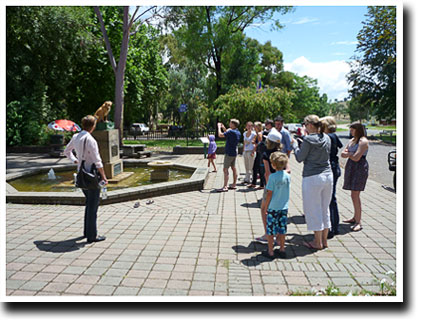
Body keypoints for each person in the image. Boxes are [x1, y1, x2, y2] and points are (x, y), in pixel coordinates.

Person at [64, 115, 108, 243]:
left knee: (89, 204)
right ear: (93, 126)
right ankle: (92, 235)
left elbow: (67, 151)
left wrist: (75, 160)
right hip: (91, 176)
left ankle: (86, 232)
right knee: (92, 207)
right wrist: (104, 177)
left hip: (81, 175)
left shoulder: (75, 137)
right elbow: (98, 161)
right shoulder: (90, 140)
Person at [291, 114, 333, 250]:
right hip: (328, 175)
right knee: (324, 209)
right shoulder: (326, 137)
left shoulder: (308, 139)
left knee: (313, 209)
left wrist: (295, 146)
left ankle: (317, 242)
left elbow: (299, 158)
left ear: (309, 125)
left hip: (312, 177)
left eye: (304, 124)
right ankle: (324, 240)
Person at [254, 127, 282, 243]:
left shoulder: (266, 154)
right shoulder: (281, 154)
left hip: (271, 185)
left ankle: (268, 234)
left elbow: (267, 173)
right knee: (278, 211)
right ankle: (279, 237)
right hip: (281, 185)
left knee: (264, 209)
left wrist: (267, 187)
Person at [261, 152, 290, 259]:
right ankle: (282, 249)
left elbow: (269, 193)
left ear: (273, 164)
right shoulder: (287, 176)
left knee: (270, 229)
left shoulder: (272, 177)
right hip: (283, 207)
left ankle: (270, 251)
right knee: (282, 229)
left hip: (273, 207)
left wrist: (266, 206)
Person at [341, 122, 369, 232]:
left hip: (359, 168)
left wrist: (348, 154)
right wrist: (348, 154)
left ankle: (358, 222)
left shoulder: (363, 141)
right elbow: (342, 154)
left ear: (357, 130)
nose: (350, 132)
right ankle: (355, 217)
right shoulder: (352, 141)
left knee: (355, 194)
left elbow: (357, 157)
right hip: (351, 167)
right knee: (353, 194)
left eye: (352, 130)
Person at [320, 116, 343, 239]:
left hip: (331, 167)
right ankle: (334, 226)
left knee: (330, 198)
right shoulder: (334, 136)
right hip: (335, 166)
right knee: (331, 197)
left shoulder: (328, 137)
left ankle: (332, 227)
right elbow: (339, 146)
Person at [217, 119, 241, 192]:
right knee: (233, 168)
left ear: (233, 124)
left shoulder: (231, 132)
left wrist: (218, 127)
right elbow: (227, 132)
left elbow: (220, 135)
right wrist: (224, 128)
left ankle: (225, 186)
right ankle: (234, 184)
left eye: (230, 123)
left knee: (225, 169)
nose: (229, 124)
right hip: (234, 152)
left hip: (229, 153)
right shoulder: (237, 132)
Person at [249, 121, 266, 189]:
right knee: (256, 168)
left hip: (260, 153)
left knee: (259, 168)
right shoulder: (258, 133)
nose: (254, 127)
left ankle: (261, 184)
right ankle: (254, 183)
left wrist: (254, 149)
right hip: (259, 152)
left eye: (255, 126)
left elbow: (259, 143)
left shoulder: (259, 134)